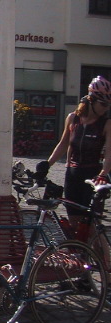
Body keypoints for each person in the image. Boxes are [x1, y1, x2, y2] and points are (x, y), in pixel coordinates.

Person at [41, 75, 111, 229]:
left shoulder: (106, 124)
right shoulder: (73, 119)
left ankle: (98, 246)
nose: (106, 108)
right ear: (91, 100)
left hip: (93, 176)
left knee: (91, 227)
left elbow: (109, 154)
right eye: (103, 104)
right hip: (72, 175)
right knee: (73, 223)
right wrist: (47, 165)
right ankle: (76, 246)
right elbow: (63, 144)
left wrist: (103, 174)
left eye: (108, 104)